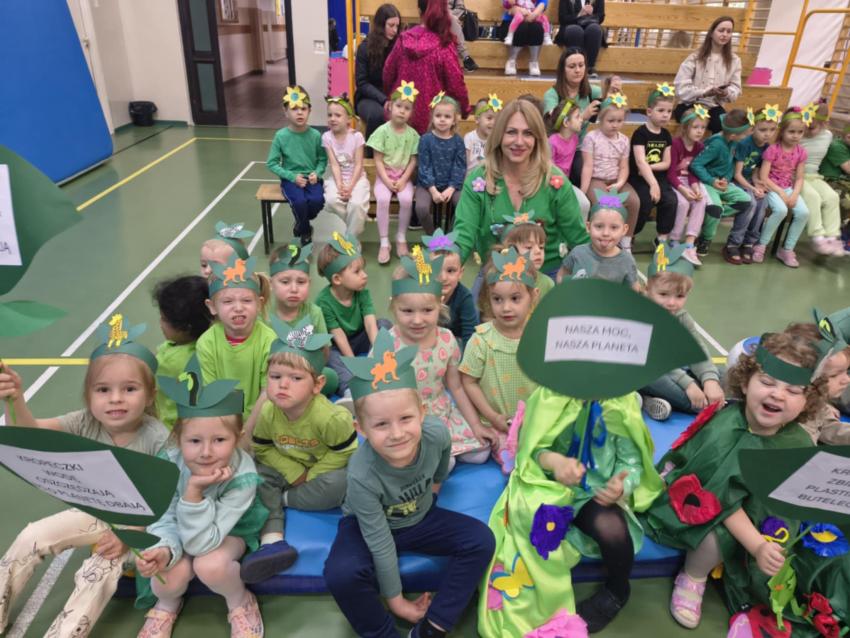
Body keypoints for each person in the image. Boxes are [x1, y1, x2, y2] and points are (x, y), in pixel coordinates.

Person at [642, 332, 830, 633]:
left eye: (793, 390)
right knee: (714, 540)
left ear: (807, 401)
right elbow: (718, 500)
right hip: (710, 508)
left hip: (760, 518)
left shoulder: (797, 441)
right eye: (767, 382)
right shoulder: (725, 427)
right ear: (744, 383)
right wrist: (757, 545)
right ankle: (693, 576)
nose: (778, 395)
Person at [0, 316, 169, 638]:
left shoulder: (158, 438)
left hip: (139, 523)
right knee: (32, 535)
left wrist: (130, 533)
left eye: (129, 389)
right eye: (103, 390)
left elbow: (168, 499)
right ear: (89, 396)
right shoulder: (85, 421)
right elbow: (29, 433)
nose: (115, 398)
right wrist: (15, 397)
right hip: (96, 510)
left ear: (150, 395)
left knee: (96, 571)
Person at [323, 330, 495, 638]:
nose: (397, 433)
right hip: (366, 526)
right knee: (341, 574)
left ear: (422, 413)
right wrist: (397, 602)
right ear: (361, 428)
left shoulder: (436, 433)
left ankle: (433, 627)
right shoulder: (361, 474)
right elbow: (379, 541)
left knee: (481, 539)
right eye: (381, 424)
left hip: (420, 517)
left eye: (405, 419)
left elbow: (442, 458)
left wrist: (435, 488)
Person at [135, 362, 266, 638]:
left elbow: (202, 544)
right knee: (166, 575)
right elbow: (163, 515)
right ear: (178, 438)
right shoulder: (169, 463)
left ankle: (239, 600)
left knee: (209, 565)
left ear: (237, 439)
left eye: (219, 440)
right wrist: (164, 549)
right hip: (181, 529)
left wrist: (193, 491)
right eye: (194, 441)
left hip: (229, 531)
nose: (206, 452)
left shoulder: (242, 477)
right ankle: (167, 604)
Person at [239, 317, 357, 584]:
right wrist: (293, 472)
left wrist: (312, 474)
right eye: (275, 377)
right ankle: (272, 542)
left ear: (317, 384)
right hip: (285, 468)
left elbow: (345, 451)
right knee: (254, 474)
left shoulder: (330, 417)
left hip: (320, 474)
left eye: (295, 378)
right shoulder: (268, 412)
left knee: (343, 482)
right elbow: (262, 447)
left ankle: (282, 500)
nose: (283, 385)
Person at [453, 99, 589, 281]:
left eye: (528, 133)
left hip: (546, 275)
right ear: (499, 135)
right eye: (511, 132)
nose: (519, 141)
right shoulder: (478, 180)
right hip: (495, 275)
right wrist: (445, 265)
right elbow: (462, 236)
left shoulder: (555, 181)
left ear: (537, 138)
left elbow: (578, 238)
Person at [388, 248, 494, 464]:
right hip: (404, 419)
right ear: (393, 306)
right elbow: (382, 395)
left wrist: (476, 425)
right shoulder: (389, 343)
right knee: (445, 461)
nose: (417, 320)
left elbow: (456, 387)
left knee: (480, 453)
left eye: (427, 310)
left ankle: (441, 452)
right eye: (407, 311)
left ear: (440, 303)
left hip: (439, 411)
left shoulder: (446, 339)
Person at [460, 247, 539, 453]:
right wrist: (493, 416)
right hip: (495, 423)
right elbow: (468, 381)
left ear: (533, 296)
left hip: (537, 421)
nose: (506, 308)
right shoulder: (481, 340)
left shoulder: (542, 336)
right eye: (497, 299)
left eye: (515, 298)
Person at [640, 245, 724, 420]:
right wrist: (688, 384)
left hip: (673, 368)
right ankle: (644, 398)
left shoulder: (681, 317)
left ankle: (646, 399)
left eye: (679, 296)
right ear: (647, 289)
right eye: (663, 294)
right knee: (659, 380)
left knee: (726, 376)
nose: (672, 303)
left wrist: (710, 380)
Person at [196, 254, 276, 422]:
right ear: (212, 306)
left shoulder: (269, 341)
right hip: (221, 420)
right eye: (227, 301)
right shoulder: (207, 343)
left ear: (259, 304)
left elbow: (267, 393)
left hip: (261, 420)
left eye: (246, 300)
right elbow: (211, 393)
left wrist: (248, 431)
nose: (238, 308)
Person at [316, 233, 391, 395]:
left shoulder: (362, 292)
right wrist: (354, 364)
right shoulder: (323, 301)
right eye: (357, 271)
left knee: (384, 325)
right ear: (337, 279)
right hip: (338, 344)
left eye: (363, 269)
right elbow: (338, 335)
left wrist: (377, 354)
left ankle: (382, 367)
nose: (365, 275)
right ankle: (351, 389)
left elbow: (370, 324)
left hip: (360, 338)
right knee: (328, 355)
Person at [383, 0, 471, 135]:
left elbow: (388, 73)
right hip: (433, 122)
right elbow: (456, 83)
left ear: (419, 10)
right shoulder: (444, 46)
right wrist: (465, 109)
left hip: (401, 116)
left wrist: (391, 97)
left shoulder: (403, 40)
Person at [268, 242, 338, 396]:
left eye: (301, 282)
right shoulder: (264, 315)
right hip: (274, 375)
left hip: (303, 373)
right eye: (285, 282)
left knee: (331, 377)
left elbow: (324, 351)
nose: (294, 289)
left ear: (309, 283)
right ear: (271, 283)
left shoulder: (314, 313)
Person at [580, 93, 640, 252]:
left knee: (634, 201)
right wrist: (583, 190)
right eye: (611, 121)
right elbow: (588, 166)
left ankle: (625, 241)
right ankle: (600, 239)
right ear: (601, 118)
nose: (615, 125)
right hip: (596, 180)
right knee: (606, 203)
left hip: (616, 180)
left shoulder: (624, 140)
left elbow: (624, 167)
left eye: (619, 121)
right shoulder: (591, 138)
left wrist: (620, 183)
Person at [266, 86, 326, 246]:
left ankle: (301, 222)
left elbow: (322, 159)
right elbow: (271, 163)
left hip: (312, 179)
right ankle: (305, 230)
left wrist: (317, 173)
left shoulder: (315, 135)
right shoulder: (280, 136)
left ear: (309, 110)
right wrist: (292, 177)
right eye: (294, 109)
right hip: (291, 181)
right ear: (285, 112)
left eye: (303, 109)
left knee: (317, 201)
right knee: (299, 202)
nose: (300, 113)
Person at [368, 81, 420, 264]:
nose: (402, 111)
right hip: (385, 177)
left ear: (411, 112)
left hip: (403, 178)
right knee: (383, 199)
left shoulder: (413, 135)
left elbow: (413, 160)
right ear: (390, 106)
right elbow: (378, 160)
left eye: (407, 108)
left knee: (406, 200)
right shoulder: (382, 132)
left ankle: (401, 237)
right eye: (398, 106)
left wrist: (404, 180)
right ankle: (384, 242)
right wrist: (387, 181)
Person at [689, 108, 752, 257]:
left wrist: (726, 179)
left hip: (722, 184)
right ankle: (705, 239)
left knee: (745, 201)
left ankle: (711, 215)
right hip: (707, 184)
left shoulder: (733, 142)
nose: (746, 136)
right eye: (744, 134)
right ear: (733, 135)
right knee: (715, 208)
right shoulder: (716, 144)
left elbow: (730, 164)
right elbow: (696, 164)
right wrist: (711, 180)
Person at [152, 274, 212, 428]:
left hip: (172, 428)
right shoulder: (212, 344)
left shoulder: (170, 361)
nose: (160, 323)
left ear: (185, 328)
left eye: (164, 319)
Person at [753, 107, 810, 268]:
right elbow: (764, 177)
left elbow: (799, 178)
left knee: (804, 213)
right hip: (771, 187)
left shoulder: (801, 152)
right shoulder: (772, 150)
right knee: (781, 210)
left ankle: (787, 249)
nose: (795, 136)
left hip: (788, 189)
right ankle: (761, 245)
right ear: (782, 131)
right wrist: (781, 193)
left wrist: (794, 194)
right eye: (791, 131)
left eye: (800, 132)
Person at [784, 314, 850, 445]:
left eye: (846, 371)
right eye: (834, 375)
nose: (847, 380)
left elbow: (830, 428)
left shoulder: (818, 404)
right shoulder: (785, 417)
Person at [558, 189, 640, 292]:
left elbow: (634, 291)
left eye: (614, 227)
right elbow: (562, 275)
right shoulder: (577, 253)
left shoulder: (627, 261)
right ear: (588, 227)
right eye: (599, 226)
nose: (605, 233)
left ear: (624, 230)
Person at [673, 16, 742, 134]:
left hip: (713, 107)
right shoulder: (694, 57)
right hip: (689, 105)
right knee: (694, 120)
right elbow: (680, 88)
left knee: (724, 124)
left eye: (729, 31)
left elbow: (736, 89)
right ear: (711, 33)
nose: (725, 34)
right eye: (721, 30)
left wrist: (725, 92)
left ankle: (713, 146)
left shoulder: (735, 60)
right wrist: (704, 93)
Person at [727, 104, 777, 264]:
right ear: (753, 128)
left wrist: (757, 184)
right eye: (763, 130)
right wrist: (752, 188)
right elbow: (737, 174)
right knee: (751, 203)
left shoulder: (766, 147)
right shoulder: (744, 144)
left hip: (749, 181)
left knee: (762, 202)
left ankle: (749, 242)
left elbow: (755, 170)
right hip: (735, 181)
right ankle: (733, 243)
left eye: (772, 130)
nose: (767, 134)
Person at [630, 84, 678, 247]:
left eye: (669, 111)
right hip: (639, 179)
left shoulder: (666, 135)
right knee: (645, 201)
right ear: (649, 111)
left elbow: (666, 163)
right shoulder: (640, 133)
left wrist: (649, 168)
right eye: (661, 110)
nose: (665, 115)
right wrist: (652, 184)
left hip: (657, 177)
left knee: (671, 200)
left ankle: (661, 238)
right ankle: (630, 234)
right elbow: (639, 161)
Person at [414, 93, 467, 234]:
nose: (442, 119)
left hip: (451, 184)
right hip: (427, 185)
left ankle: (451, 234)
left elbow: (459, 166)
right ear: (432, 117)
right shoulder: (425, 140)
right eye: (438, 116)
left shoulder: (458, 141)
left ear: (454, 120)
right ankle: (433, 236)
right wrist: (433, 190)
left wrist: (451, 188)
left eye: (447, 116)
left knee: (463, 205)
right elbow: (424, 166)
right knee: (421, 208)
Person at [668, 107, 715, 265]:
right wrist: (683, 190)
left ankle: (689, 244)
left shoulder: (700, 147)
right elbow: (671, 174)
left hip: (690, 181)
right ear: (685, 127)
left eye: (703, 127)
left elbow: (694, 171)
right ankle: (674, 240)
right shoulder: (675, 144)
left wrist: (695, 187)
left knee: (700, 201)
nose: (700, 131)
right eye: (695, 127)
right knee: (683, 203)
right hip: (675, 182)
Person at [800, 102, 845, 256]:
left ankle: (832, 237)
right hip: (796, 176)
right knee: (813, 196)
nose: (809, 128)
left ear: (824, 123)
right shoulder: (798, 133)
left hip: (814, 176)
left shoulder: (828, 136)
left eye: (813, 126)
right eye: (807, 124)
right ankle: (817, 236)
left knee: (832, 197)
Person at [323, 94, 370, 239]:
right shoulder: (326, 137)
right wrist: (340, 185)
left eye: (337, 115)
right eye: (330, 115)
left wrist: (350, 187)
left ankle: (351, 239)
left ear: (348, 119)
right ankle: (356, 223)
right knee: (330, 200)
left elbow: (358, 165)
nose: (333, 118)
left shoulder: (357, 137)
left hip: (357, 179)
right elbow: (335, 165)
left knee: (356, 204)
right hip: (338, 179)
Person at [422, 229, 478, 350]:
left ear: (460, 273)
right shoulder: (422, 294)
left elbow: (470, 335)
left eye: (450, 271)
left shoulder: (464, 297)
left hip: (454, 345)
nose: (443, 278)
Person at [355, 3, 400, 151]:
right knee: (377, 115)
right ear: (381, 25)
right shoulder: (364, 48)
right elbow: (362, 83)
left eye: (397, 26)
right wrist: (383, 99)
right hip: (368, 97)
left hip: (391, 96)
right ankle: (370, 155)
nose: (395, 30)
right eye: (391, 25)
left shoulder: (398, 46)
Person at [547, 97, 592, 218]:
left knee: (584, 204)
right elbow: (549, 168)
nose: (581, 119)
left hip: (565, 184)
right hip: (551, 185)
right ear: (566, 123)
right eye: (577, 117)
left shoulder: (574, 138)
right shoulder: (552, 142)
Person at [502, 210, 556, 297]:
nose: (538, 251)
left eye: (541, 247)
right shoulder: (502, 282)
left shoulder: (548, 283)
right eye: (529, 247)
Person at [555, 0, 606, 77]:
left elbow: (601, 17)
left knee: (595, 29)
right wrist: (579, 14)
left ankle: (589, 67)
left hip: (590, 24)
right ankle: (575, 66)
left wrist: (591, 14)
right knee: (576, 30)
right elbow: (562, 18)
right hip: (570, 25)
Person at [499, 0, 548, 76]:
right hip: (511, 21)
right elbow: (507, 4)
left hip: (532, 18)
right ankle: (511, 61)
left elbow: (543, 3)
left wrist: (533, 15)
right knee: (521, 28)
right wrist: (518, 10)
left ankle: (534, 62)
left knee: (537, 28)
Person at [820, 123, 850, 232]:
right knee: (847, 202)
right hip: (831, 181)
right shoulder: (837, 146)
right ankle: (840, 231)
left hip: (844, 183)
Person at [465, 95, 502, 175]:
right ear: (477, 119)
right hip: (471, 177)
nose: (493, 122)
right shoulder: (470, 138)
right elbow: (465, 163)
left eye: (496, 119)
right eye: (489, 118)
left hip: (489, 176)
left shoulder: (496, 140)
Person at [447, 0, 479, 71]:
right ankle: (466, 57)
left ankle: (465, 58)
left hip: (450, 21)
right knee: (452, 21)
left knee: (452, 21)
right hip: (434, 17)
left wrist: (451, 16)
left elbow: (460, 8)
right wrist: (449, 16)